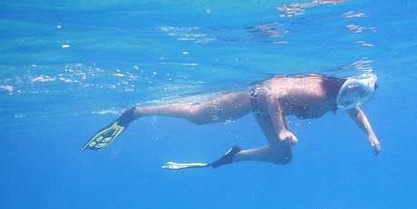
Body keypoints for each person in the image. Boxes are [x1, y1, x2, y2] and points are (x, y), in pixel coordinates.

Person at [82, 73, 381, 169]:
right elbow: (268, 91)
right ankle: (137, 112)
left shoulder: (345, 97)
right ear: (345, 87)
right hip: (252, 98)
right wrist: (281, 128)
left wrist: (370, 134)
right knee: (199, 117)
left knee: (282, 157)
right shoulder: (317, 91)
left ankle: (236, 155)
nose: (351, 104)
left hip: (267, 109)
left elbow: (353, 109)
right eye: (349, 97)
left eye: (355, 100)